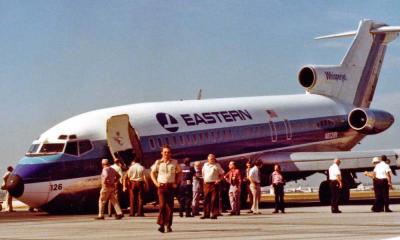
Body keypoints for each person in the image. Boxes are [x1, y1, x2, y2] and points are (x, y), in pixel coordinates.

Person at [150, 145, 182, 233]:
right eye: (165, 152)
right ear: (162, 153)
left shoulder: (175, 162)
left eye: (168, 152)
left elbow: (180, 173)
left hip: (170, 186)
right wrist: (156, 183)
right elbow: (152, 173)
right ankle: (161, 225)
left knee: (170, 207)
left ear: (170, 153)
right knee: (162, 205)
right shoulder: (158, 162)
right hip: (161, 186)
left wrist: (176, 183)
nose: (166, 154)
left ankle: (168, 225)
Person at [201, 153, 224, 219]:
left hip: (214, 184)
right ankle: (206, 214)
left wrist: (219, 180)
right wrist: (204, 180)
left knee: (214, 199)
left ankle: (214, 214)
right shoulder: (205, 165)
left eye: (213, 158)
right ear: (208, 159)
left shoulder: (217, 165)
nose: (212, 160)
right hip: (206, 184)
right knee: (206, 199)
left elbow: (222, 174)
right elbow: (203, 173)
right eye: (211, 159)